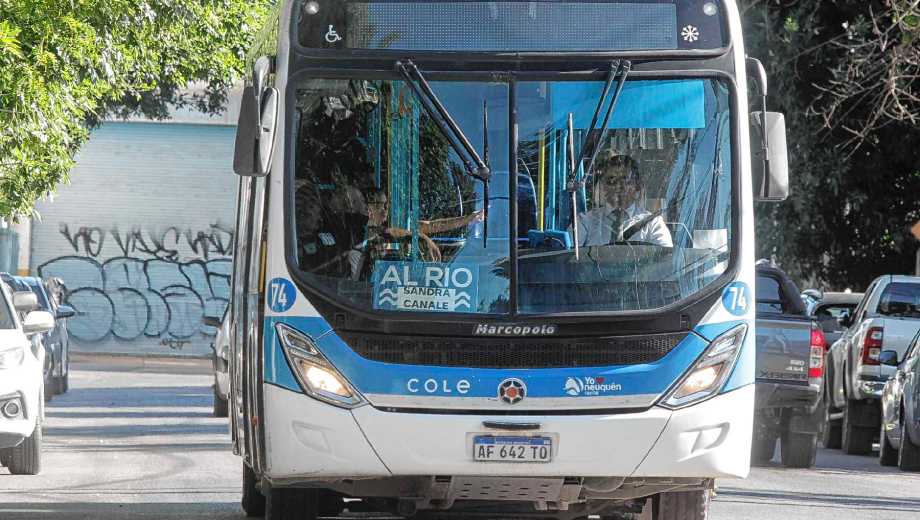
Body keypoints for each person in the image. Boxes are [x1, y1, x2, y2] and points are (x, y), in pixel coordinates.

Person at [569, 154, 673, 248]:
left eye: (625, 180)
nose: (618, 186)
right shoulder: (585, 222)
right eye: (611, 180)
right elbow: (567, 260)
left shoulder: (653, 224)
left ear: (637, 186)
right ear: (603, 186)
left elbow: (666, 261)